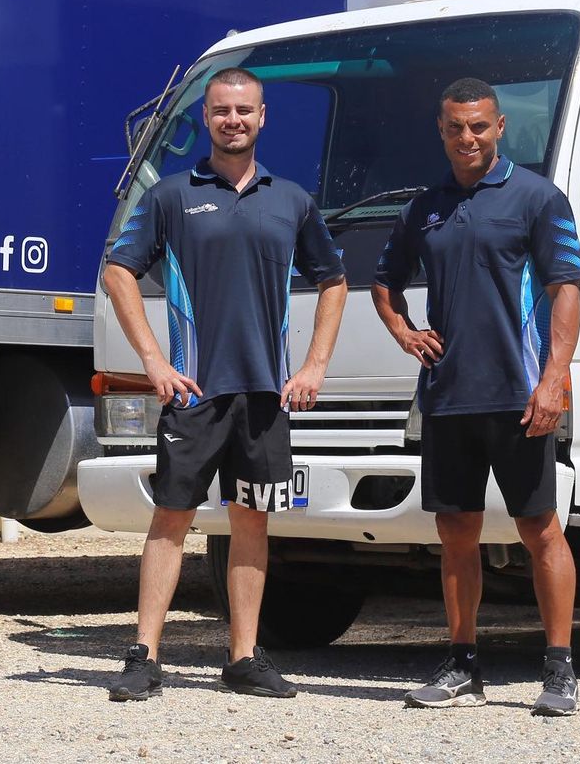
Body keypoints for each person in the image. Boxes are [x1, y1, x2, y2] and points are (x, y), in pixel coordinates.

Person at [102, 66, 348, 702]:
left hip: (265, 396)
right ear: (205, 119)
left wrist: (315, 365)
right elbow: (118, 271)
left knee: (252, 522)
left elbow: (335, 281)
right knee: (171, 518)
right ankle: (144, 655)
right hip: (195, 392)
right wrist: (155, 360)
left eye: (244, 110)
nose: (232, 120)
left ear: (262, 117)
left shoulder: (291, 200)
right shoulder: (173, 196)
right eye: (220, 111)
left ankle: (243, 658)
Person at [370, 76, 580, 717]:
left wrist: (554, 380)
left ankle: (560, 668)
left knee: (539, 528)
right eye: (456, 127)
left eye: (480, 126)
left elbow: (565, 291)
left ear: (499, 128)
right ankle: (462, 662)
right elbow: (384, 281)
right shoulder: (423, 206)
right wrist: (406, 333)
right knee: (456, 534)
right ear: (441, 131)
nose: (468, 137)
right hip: (447, 397)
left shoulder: (538, 198)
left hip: (521, 396)